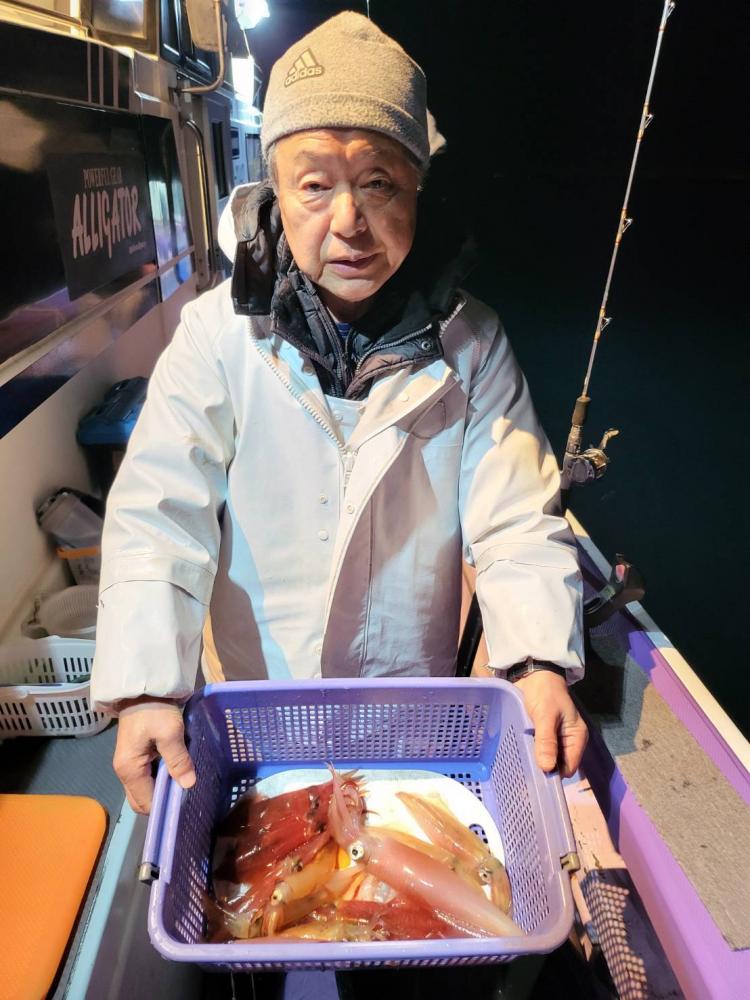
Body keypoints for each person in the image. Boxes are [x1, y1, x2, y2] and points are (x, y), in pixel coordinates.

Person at [91, 12, 587, 815]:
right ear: (275, 191)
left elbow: (516, 518)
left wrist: (536, 661)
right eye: (315, 184)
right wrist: (149, 686)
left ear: (418, 188)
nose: (349, 221)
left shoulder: (473, 343)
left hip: (410, 705)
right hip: (261, 702)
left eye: (379, 182)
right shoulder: (218, 336)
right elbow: (161, 512)